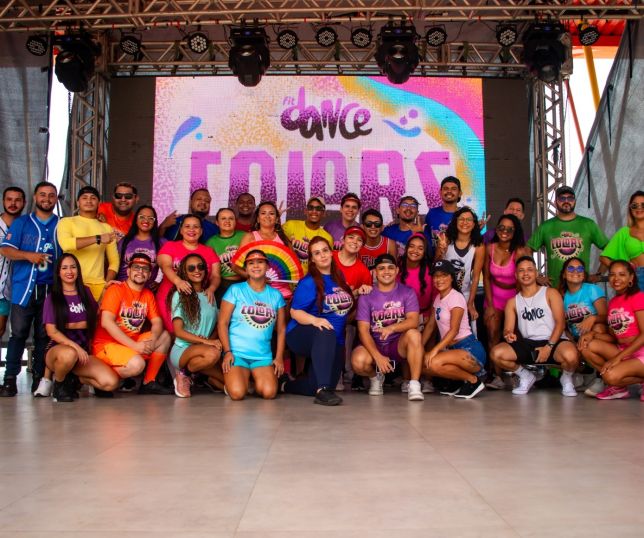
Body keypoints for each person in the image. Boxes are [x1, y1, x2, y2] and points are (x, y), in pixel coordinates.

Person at [0, 181, 61, 397]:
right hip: (23, 288)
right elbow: (5, 249)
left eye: (51, 195)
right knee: (17, 334)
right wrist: (28, 255)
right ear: (35, 198)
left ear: (56, 199)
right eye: (42, 195)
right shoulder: (22, 223)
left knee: (44, 337)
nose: (47, 199)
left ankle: (39, 379)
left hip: (50, 290)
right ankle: (10, 379)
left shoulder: (62, 225)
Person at [489, 256, 580, 397]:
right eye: (521, 270)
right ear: (516, 275)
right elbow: (508, 329)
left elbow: (560, 323)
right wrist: (508, 334)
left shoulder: (550, 293)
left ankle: (566, 378)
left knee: (571, 356)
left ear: (536, 273)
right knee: (496, 354)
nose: (526, 273)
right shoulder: (512, 302)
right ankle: (525, 376)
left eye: (530, 270)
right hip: (529, 343)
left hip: (554, 341)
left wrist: (548, 347)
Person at [282, 237, 354, 406]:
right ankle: (322, 392)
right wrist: (315, 320)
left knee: (317, 384)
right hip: (301, 334)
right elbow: (294, 312)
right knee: (324, 386)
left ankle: (285, 385)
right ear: (312, 259)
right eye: (317, 253)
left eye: (325, 250)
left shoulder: (339, 277)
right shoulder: (309, 282)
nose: (322, 255)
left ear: (331, 252)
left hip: (334, 339)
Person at [43, 254, 120, 402]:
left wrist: (106, 291)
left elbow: (96, 314)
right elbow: (51, 331)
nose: (69, 271)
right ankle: (59, 384)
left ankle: (75, 379)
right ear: (58, 272)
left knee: (110, 383)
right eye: (64, 268)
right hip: (58, 351)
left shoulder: (86, 292)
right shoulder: (53, 297)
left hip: (82, 353)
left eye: (73, 267)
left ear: (78, 270)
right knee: (69, 354)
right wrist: (75, 348)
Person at [93, 253, 172, 394]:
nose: (140, 272)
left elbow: (157, 321)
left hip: (131, 343)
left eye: (145, 269)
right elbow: (106, 322)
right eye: (136, 267)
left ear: (149, 275)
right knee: (137, 365)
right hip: (107, 345)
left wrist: (153, 339)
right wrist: (135, 346)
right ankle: (101, 380)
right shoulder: (116, 289)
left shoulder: (147, 294)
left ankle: (149, 382)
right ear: (128, 271)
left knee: (164, 336)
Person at [352, 253, 425, 401]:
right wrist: (377, 356)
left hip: (397, 344)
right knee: (358, 362)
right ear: (375, 272)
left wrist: (391, 328)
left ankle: (414, 384)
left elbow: (413, 321)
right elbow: (363, 331)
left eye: (391, 268)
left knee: (414, 334)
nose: (386, 271)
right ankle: (375, 378)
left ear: (397, 270)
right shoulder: (366, 296)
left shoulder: (407, 292)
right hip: (375, 343)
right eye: (381, 268)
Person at [218, 249, 286, 400]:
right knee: (237, 394)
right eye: (251, 263)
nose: (256, 266)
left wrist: (279, 357)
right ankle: (234, 382)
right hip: (237, 353)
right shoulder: (235, 290)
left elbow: (281, 329)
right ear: (246, 268)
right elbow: (222, 323)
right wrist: (227, 352)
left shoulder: (276, 295)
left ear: (267, 267)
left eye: (260, 262)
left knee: (269, 393)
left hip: (262, 355)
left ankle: (249, 382)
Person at [578, 260, 644, 400]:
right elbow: (615, 338)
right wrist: (592, 334)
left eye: (622, 274)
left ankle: (624, 380)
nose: (616, 278)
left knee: (610, 376)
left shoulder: (638, 297)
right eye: (612, 274)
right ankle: (619, 388)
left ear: (631, 277)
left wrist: (616, 359)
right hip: (623, 350)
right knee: (585, 346)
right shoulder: (613, 302)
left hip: (640, 353)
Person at [421, 260, 487, 399]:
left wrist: (434, 350)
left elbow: (454, 330)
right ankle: (458, 383)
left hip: (469, 349)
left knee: (433, 363)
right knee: (421, 364)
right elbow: (431, 326)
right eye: (436, 276)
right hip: (452, 350)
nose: (439, 279)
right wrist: (419, 347)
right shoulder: (438, 298)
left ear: (452, 277)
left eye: (443, 275)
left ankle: (473, 381)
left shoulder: (455, 297)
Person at [527, 186, 608, 287]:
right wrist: (536, 274)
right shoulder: (546, 226)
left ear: (575, 201)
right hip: (555, 288)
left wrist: (599, 274)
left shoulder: (588, 224)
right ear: (555, 202)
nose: (566, 201)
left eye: (570, 198)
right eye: (562, 198)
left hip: (582, 287)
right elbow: (527, 250)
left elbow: (609, 249)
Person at [168, 254, 223, 398]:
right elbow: (178, 331)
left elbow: (216, 326)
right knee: (213, 354)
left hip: (203, 349)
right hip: (183, 349)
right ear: (184, 272)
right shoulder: (180, 295)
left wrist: (211, 341)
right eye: (191, 268)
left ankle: (208, 380)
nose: (197, 270)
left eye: (200, 266)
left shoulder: (210, 295)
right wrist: (207, 342)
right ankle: (184, 373)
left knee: (234, 384)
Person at [482, 214, 526, 389]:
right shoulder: (490, 248)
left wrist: (517, 306)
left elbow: (523, 280)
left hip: (513, 297)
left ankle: (516, 373)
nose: (504, 232)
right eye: (501, 227)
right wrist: (490, 305)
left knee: (513, 336)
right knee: (492, 333)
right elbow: (486, 277)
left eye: (509, 229)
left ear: (515, 232)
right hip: (494, 297)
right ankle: (497, 376)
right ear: (496, 229)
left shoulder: (519, 251)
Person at [156, 214, 221, 332]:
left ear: (201, 231)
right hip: (169, 299)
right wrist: (178, 281)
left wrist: (212, 288)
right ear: (181, 230)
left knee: (193, 334)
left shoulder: (209, 251)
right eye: (187, 226)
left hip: (197, 302)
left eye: (196, 227)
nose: (192, 230)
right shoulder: (170, 246)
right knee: (171, 334)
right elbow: (165, 266)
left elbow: (216, 275)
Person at [56, 186, 119, 301]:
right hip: (72, 283)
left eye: (93, 198)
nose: (89, 201)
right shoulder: (66, 222)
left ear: (99, 203)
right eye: (84, 198)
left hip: (98, 285)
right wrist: (98, 238)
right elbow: (66, 244)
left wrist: (106, 285)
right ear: (78, 202)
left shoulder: (106, 228)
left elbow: (114, 261)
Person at [559, 257, 608, 397]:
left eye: (580, 268)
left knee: (598, 328)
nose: (576, 271)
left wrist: (593, 318)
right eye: (570, 268)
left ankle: (601, 378)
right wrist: (571, 342)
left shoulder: (592, 289)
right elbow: (563, 326)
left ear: (584, 274)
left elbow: (607, 318)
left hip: (596, 335)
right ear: (564, 274)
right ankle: (583, 374)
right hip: (576, 337)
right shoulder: (562, 295)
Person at [436, 206, 485, 327]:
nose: (465, 222)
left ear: (474, 224)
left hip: (465, 294)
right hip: (444, 293)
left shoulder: (478, 246)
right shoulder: (446, 240)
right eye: (461, 219)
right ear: (455, 222)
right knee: (444, 328)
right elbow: (436, 265)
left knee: (466, 330)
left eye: (469, 219)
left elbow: (476, 277)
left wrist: (470, 303)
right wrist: (441, 251)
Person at [238, 201, 294, 300]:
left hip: (282, 293)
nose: (267, 216)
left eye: (271, 213)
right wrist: (256, 277)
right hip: (256, 291)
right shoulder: (249, 237)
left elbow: (293, 266)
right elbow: (235, 266)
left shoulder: (284, 239)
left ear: (277, 219)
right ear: (258, 219)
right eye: (263, 213)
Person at [0, 186, 26, 354]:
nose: (13, 203)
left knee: (10, 331)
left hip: (16, 288)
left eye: (17, 200)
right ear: (3, 201)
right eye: (9, 199)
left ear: (24, 202)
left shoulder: (27, 225)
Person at [600, 190, 644, 286]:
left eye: (643, 205)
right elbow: (604, 258)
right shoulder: (624, 232)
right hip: (637, 277)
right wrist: (623, 270)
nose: (639, 208)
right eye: (634, 206)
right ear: (630, 209)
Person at [116, 205, 164, 290]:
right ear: (136, 220)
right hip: (122, 289)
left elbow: (172, 266)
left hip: (147, 291)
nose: (146, 220)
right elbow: (114, 265)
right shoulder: (124, 242)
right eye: (142, 217)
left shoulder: (161, 243)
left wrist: (161, 283)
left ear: (155, 222)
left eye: (150, 218)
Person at [282, 196, 333, 273]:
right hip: (288, 275)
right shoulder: (290, 225)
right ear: (305, 211)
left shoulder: (327, 238)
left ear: (323, 213)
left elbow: (326, 264)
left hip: (310, 278)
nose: (314, 211)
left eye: (318, 208)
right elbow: (273, 238)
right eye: (310, 208)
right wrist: (276, 218)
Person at [206, 208, 245, 305]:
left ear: (235, 221)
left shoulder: (245, 236)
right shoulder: (211, 242)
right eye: (223, 218)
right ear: (217, 222)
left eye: (231, 218)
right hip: (223, 284)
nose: (227, 221)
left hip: (245, 281)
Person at [424, 176, 462, 249]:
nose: (449, 191)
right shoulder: (432, 213)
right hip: (434, 256)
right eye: (445, 188)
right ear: (440, 192)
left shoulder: (465, 215)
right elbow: (426, 240)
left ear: (460, 193)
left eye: (453, 189)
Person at [333, 226, 372, 295]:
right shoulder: (329, 256)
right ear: (343, 240)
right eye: (351, 237)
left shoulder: (364, 272)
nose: (355, 242)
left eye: (359, 240)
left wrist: (357, 292)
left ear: (362, 246)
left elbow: (364, 298)